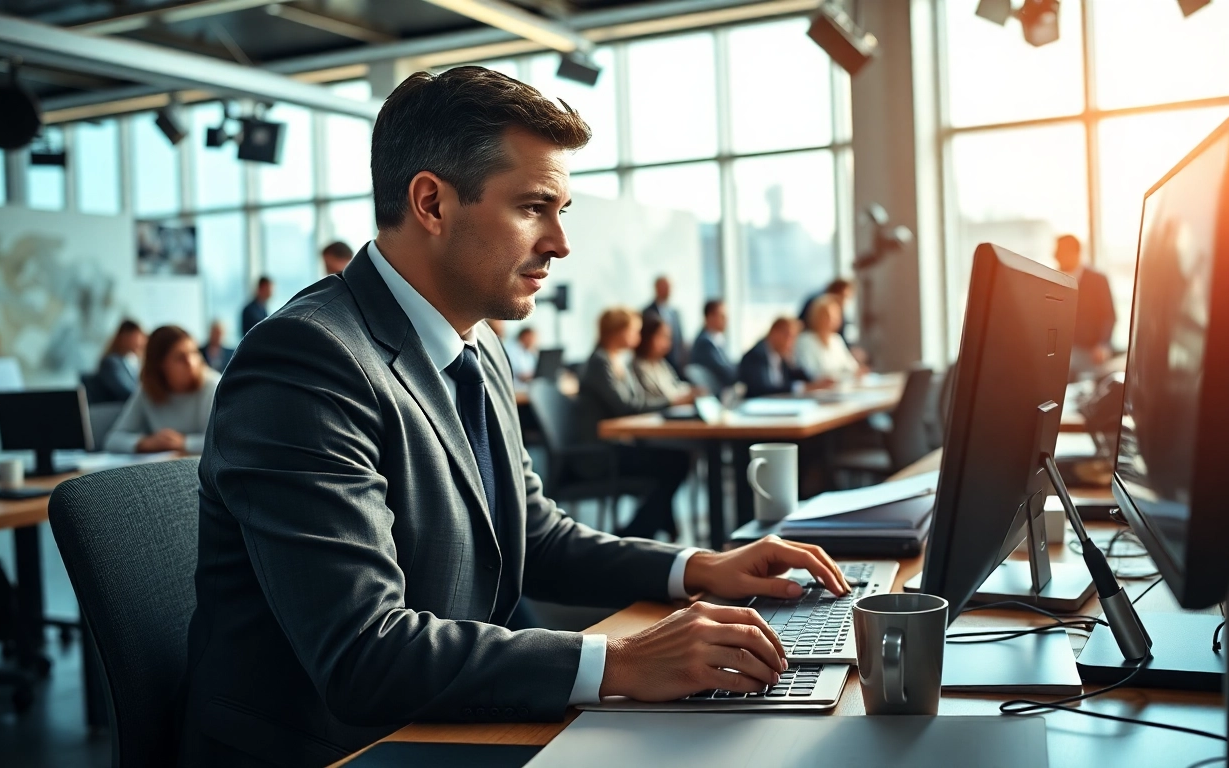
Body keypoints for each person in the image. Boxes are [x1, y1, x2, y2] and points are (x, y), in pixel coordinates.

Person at [181, 66, 849, 767]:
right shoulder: (306, 361)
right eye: (534, 207)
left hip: (449, 720)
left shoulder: (479, 344)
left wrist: (701, 568)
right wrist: (619, 662)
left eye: (562, 211)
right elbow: (365, 653)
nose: (560, 243)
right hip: (338, 747)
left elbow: (533, 536)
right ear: (432, 204)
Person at [576, 308, 692, 539]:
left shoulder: (617, 361)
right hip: (598, 455)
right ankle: (638, 532)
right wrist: (671, 400)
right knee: (675, 462)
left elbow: (638, 401)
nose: (638, 336)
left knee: (673, 460)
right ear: (619, 332)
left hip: (616, 447)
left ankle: (648, 528)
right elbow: (627, 406)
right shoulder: (600, 362)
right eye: (634, 330)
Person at [103, 325, 218, 455]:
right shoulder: (147, 390)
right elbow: (112, 440)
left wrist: (184, 443)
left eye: (194, 353)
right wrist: (146, 443)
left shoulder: (212, 386)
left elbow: (223, 442)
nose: (191, 363)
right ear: (159, 365)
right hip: (165, 468)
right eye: (180, 358)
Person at [1054, 234, 1116, 379]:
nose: (1055, 256)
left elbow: (1109, 315)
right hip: (1064, 350)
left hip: (1090, 352)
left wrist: (1103, 344)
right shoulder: (1054, 279)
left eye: (1059, 252)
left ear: (1075, 253)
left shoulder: (1098, 279)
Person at [740, 316, 830, 398]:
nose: (790, 342)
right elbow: (762, 390)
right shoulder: (755, 356)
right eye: (788, 336)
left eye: (793, 338)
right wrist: (800, 388)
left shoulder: (780, 355)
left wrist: (792, 362)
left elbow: (800, 376)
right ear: (773, 332)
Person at [794, 295, 863, 381]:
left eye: (835, 316)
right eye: (827, 316)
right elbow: (810, 373)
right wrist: (838, 376)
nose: (831, 320)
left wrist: (858, 372)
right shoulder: (804, 341)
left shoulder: (836, 340)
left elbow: (852, 367)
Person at [634, 313, 694, 402]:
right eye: (662, 336)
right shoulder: (638, 366)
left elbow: (675, 385)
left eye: (669, 338)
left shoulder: (661, 363)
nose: (667, 343)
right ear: (647, 337)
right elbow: (659, 397)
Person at [690, 299, 737, 390]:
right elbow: (724, 373)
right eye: (722, 316)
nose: (726, 320)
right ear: (710, 317)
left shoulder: (715, 339)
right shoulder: (705, 344)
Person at [642, 275, 686, 371]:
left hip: (675, 365)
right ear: (656, 288)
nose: (668, 290)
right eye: (665, 286)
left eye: (670, 287)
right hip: (654, 364)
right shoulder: (647, 312)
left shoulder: (675, 313)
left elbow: (679, 340)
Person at [95, 319, 146, 402]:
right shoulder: (111, 363)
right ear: (125, 337)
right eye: (138, 337)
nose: (141, 342)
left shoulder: (133, 362)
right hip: (115, 410)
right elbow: (127, 392)